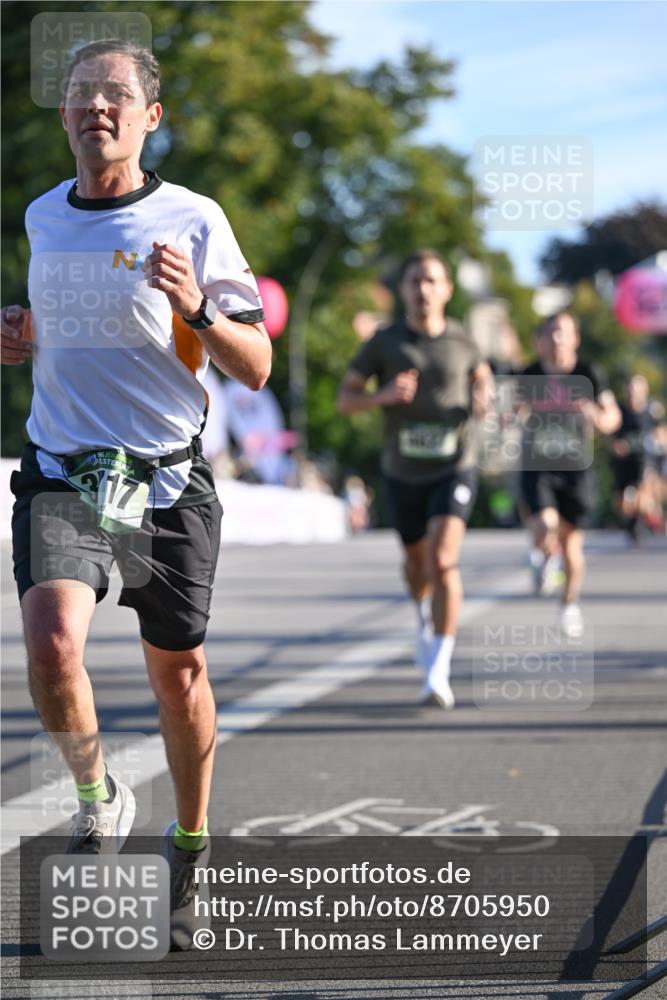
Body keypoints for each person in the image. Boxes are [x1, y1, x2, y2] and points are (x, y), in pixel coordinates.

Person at [0, 39, 271, 950]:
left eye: (115, 94)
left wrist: (198, 307)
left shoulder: (195, 217)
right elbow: (73, 331)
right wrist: (22, 332)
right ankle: (97, 797)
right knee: (51, 642)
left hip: (164, 476)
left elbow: (257, 365)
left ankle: (188, 846)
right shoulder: (42, 217)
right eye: (79, 95)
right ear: (65, 115)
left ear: (150, 117)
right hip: (64, 468)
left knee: (178, 673)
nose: (95, 108)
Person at [337, 249, 494, 708]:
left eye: (432, 280)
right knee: (416, 566)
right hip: (403, 471)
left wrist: (482, 394)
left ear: (446, 289)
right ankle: (422, 614)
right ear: (403, 290)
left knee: (444, 562)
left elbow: (481, 375)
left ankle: (438, 670)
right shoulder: (384, 342)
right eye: (414, 281)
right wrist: (383, 395)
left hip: (455, 464)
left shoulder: (464, 340)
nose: (423, 289)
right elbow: (346, 400)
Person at [517, 313, 620, 637]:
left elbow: (612, 417)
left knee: (573, 547)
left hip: (576, 469)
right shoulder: (529, 375)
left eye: (564, 333)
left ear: (575, 338)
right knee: (544, 527)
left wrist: (595, 415)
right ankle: (544, 556)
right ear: (541, 340)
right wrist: (517, 414)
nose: (557, 339)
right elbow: (511, 410)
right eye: (551, 333)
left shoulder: (589, 374)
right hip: (539, 465)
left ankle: (568, 605)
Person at [610, 374, 666, 540]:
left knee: (643, 495)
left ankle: (652, 519)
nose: (633, 392)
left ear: (645, 389)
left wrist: (656, 438)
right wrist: (616, 445)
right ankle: (639, 519)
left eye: (636, 388)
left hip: (646, 460)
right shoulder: (619, 411)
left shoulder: (653, 409)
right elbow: (610, 435)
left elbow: (662, 433)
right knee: (623, 504)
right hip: (624, 462)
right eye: (630, 388)